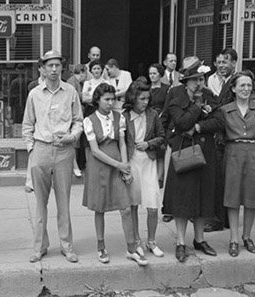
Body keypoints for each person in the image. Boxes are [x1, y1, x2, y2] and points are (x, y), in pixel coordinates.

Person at [22, 49, 84, 263]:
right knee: (40, 204)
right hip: (41, 149)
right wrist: (32, 149)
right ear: (42, 68)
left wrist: (72, 136)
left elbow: (78, 120)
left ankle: (67, 246)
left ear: (62, 67)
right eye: (50, 65)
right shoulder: (34, 94)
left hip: (64, 151)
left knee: (63, 203)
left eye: (57, 65)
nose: (54, 69)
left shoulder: (70, 92)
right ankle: (40, 246)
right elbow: (27, 124)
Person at [162, 56, 221, 262]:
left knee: (203, 196)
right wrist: (197, 108)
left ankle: (199, 239)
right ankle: (180, 242)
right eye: (195, 79)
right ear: (186, 81)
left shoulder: (209, 95)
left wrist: (198, 127)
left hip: (206, 152)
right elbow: (177, 121)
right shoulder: (176, 95)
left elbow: (219, 120)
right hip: (184, 151)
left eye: (202, 79)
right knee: (182, 198)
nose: (199, 83)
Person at [204, 72, 255, 256]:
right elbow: (220, 136)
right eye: (242, 85)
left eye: (249, 85)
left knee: (252, 198)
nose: (246, 89)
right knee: (232, 198)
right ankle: (233, 238)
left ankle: (247, 236)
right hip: (233, 153)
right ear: (233, 88)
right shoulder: (225, 110)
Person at [82, 82, 147, 266]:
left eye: (113, 99)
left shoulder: (119, 118)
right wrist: (118, 164)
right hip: (99, 166)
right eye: (107, 99)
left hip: (118, 163)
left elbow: (123, 143)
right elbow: (94, 150)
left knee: (125, 207)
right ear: (98, 100)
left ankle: (131, 248)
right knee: (99, 208)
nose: (111, 103)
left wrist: (125, 166)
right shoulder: (89, 120)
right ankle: (101, 246)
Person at [124, 82, 166, 257]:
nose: (145, 102)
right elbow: (121, 142)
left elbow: (162, 137)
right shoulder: (125, 116)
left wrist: (148, 143)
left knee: (153, 204)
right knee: (133, 204)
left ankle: (152, 241)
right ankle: (136, 240)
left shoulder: (153, 114)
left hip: (149, 161)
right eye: (142, 98)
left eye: (148, 98)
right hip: (132, 161)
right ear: (133, 98)